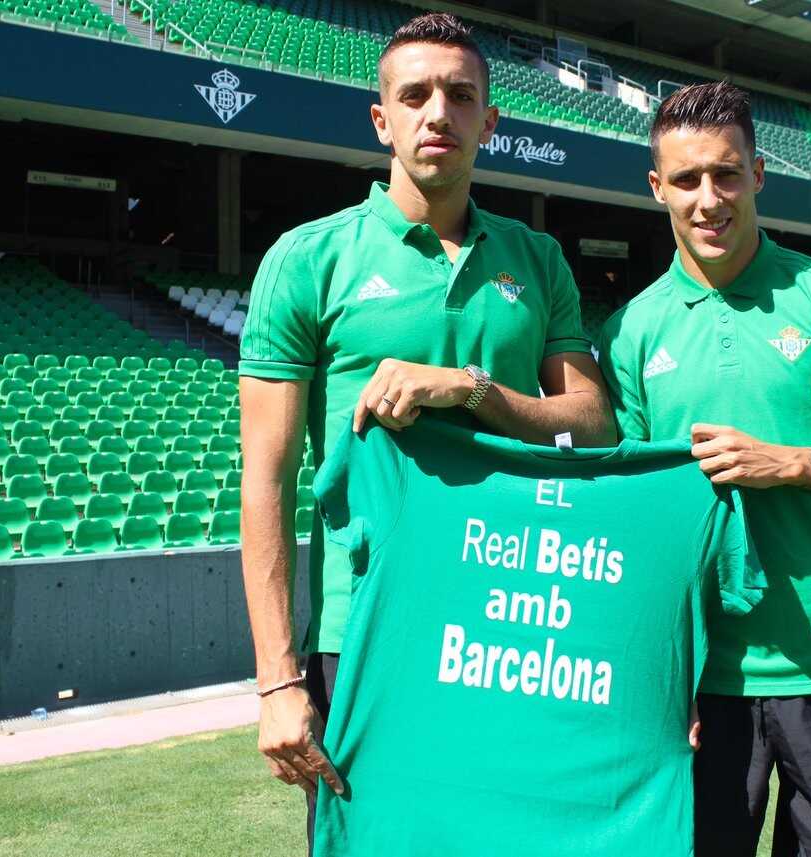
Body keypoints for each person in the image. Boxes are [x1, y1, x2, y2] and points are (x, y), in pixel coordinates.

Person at [237, 12, 615, 854]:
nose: (437, 112)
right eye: (414, 95)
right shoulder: (307, 259)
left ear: (490, 121)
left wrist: (474, 390)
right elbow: (265, 479)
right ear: (382, 119)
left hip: (512, 624)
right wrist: (276, 681)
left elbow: (593, 424)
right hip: (366, 635)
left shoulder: (538, 258)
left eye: (460, 95)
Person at [597, 81, 811, 857]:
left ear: (757, 174)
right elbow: (641, 529)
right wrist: (658, 675)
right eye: (687, 179)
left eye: (726, 174)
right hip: (702, 685)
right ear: (657, 187)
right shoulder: (627, 331)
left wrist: (787, 462)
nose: (708, 199)